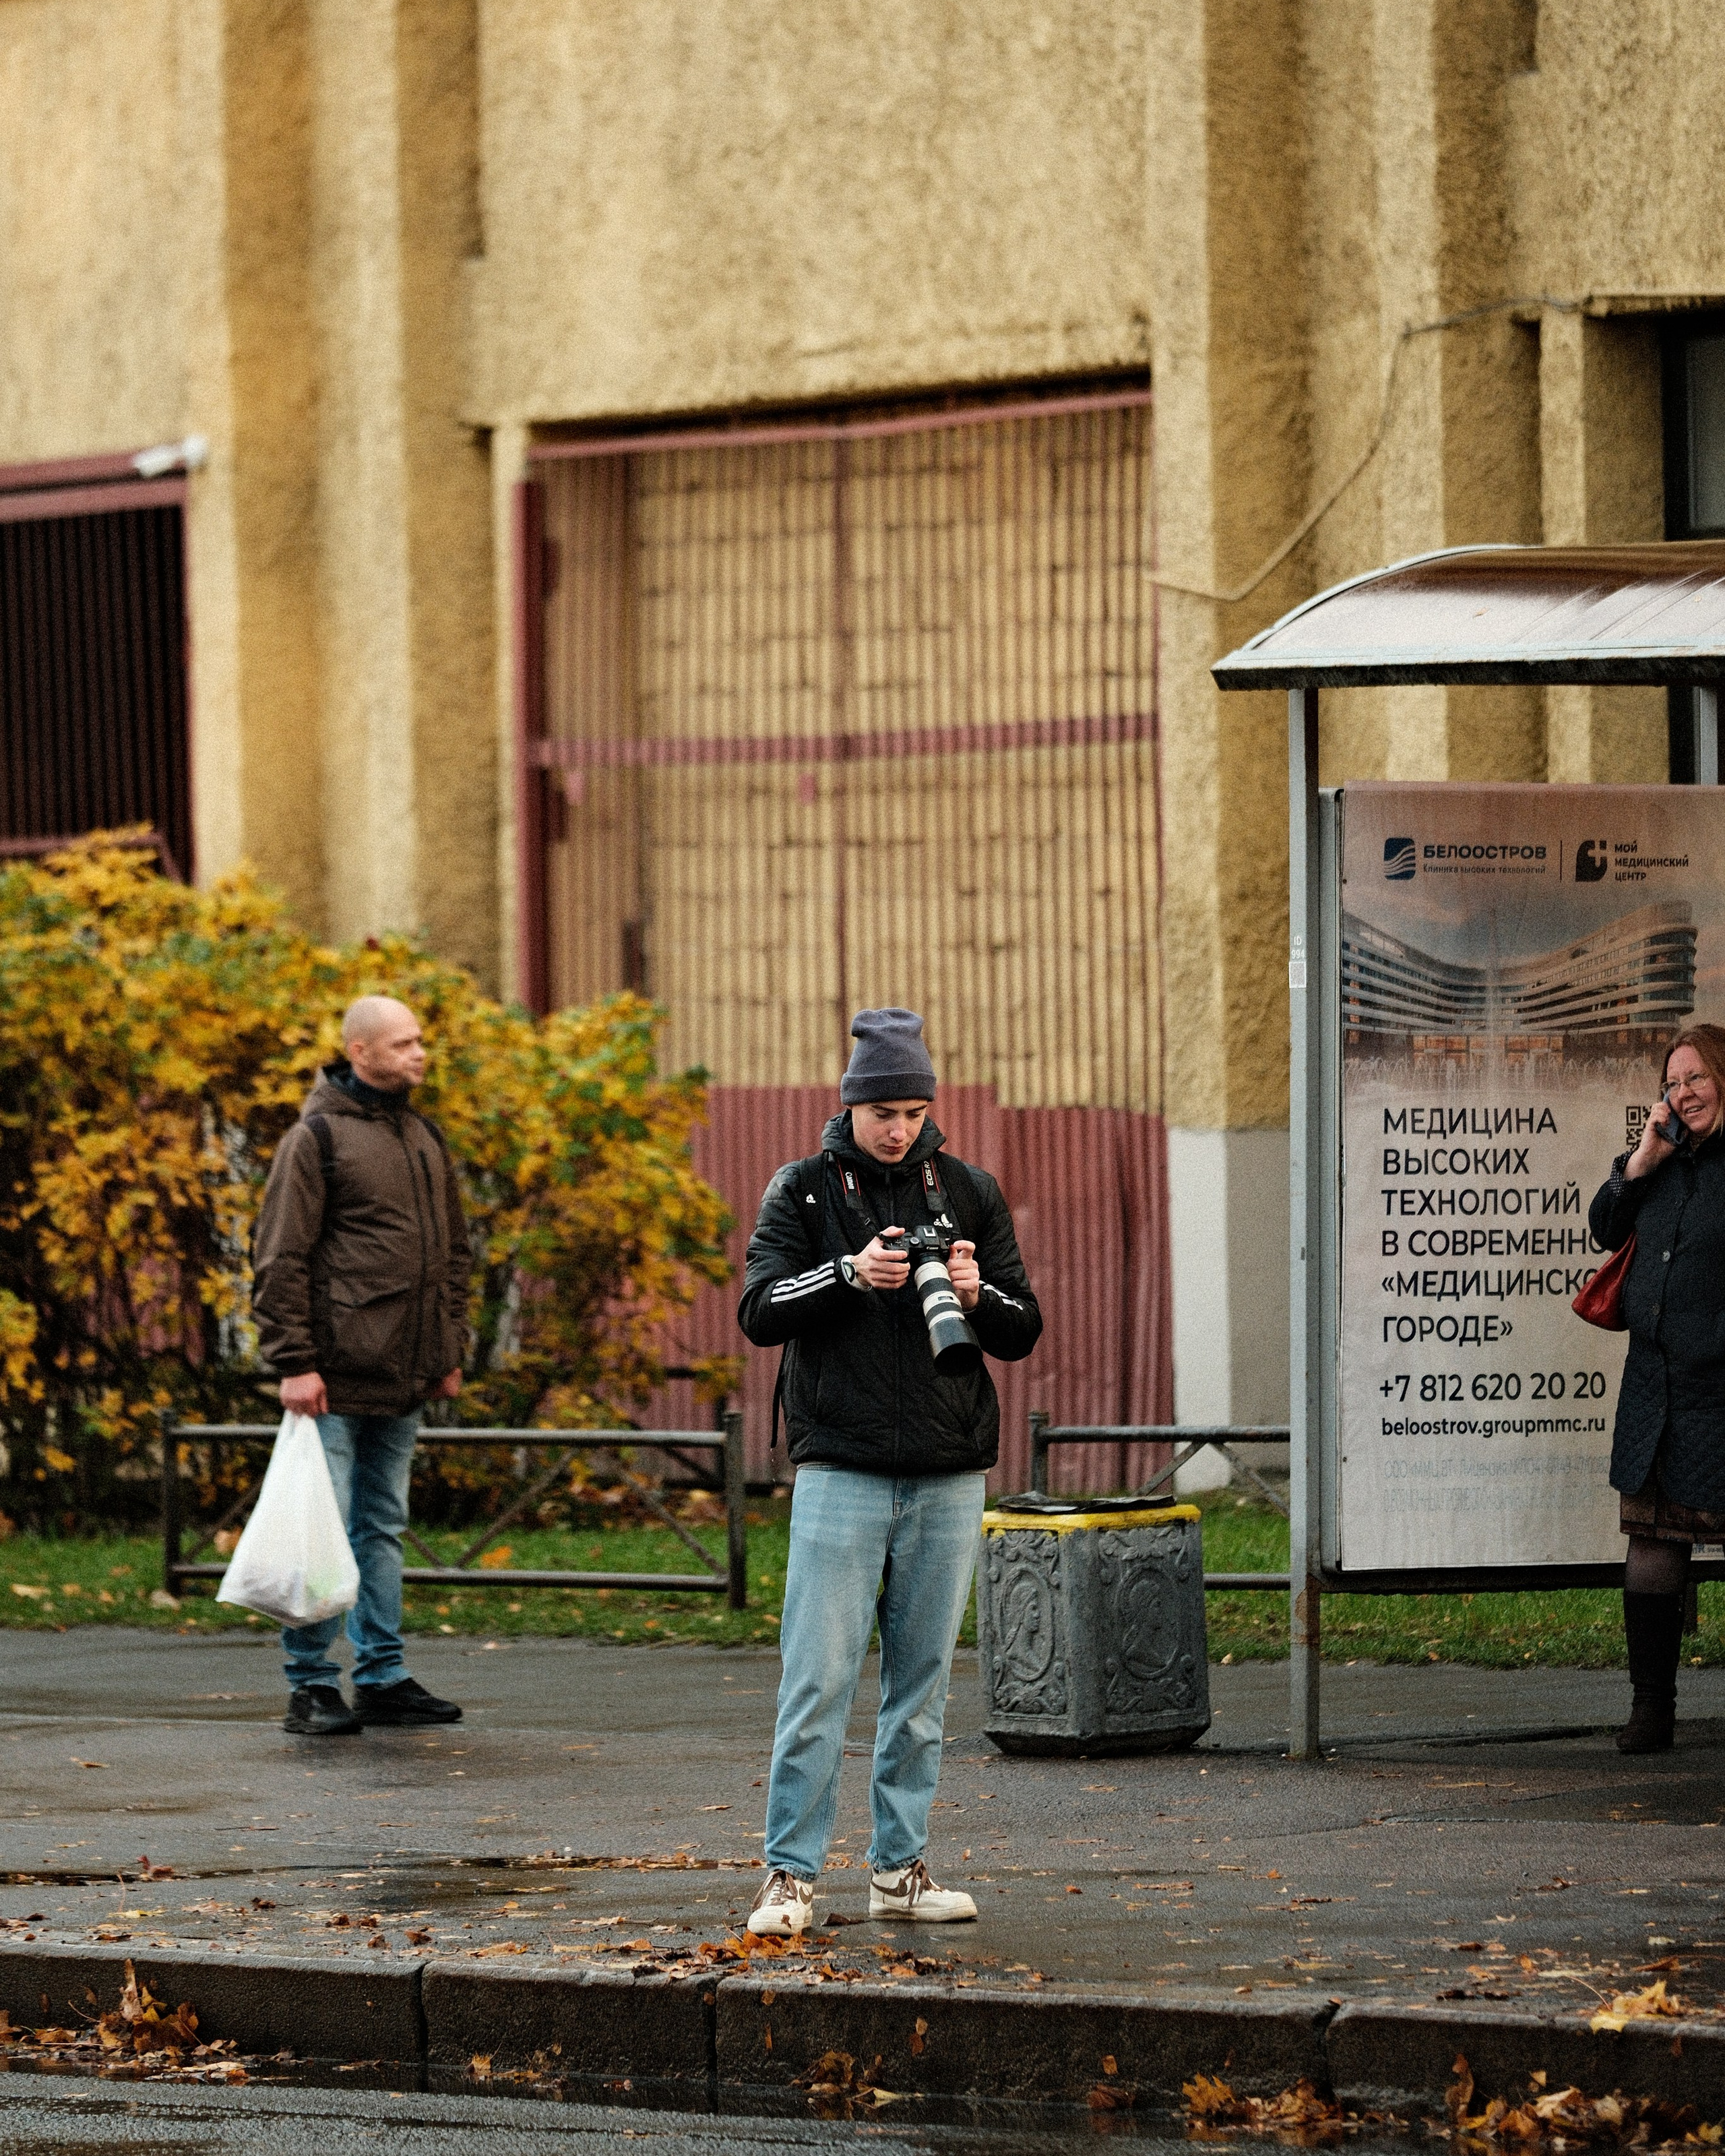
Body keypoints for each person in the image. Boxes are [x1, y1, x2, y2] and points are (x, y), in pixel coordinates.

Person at [738, 1008, 1042, 1936]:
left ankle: (899, 1869)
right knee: (817, 1681)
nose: (900, 1130)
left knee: (922, 1688)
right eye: (883, 1113)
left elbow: (1023, 1327)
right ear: (851, 1105)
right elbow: (758, 1308)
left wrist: (978, 1293)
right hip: (842, 1466)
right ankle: (789, 1876)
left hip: (949, 1468)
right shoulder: (802, 1189)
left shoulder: (970, 1189)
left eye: (913, 1112)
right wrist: (848, 1272)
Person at [252, 995, 472, 1737]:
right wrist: (294, 1362)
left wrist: (448, 1350)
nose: (419, 1053)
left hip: (406, 1376)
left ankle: (382, 1675)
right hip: (333, 1380)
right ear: (360, 1051)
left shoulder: (422, 1134)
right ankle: (311, 1684)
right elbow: (280, 1257)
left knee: (381, 1527)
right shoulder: (315, 1138)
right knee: (322, 1531)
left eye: (420, 1040)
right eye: (403, 1043)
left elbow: (453, 1255)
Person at [1588, 1022, 1725, 1754]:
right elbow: (1603, 1227)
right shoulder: (1658, 1163)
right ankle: (1651, 1707)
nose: (1683, 1093)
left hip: (1720, 1388)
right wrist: (1641, 1159)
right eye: (1672, 1083)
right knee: (1652, 1544)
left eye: (1695, 1077)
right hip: (1656, 1389)